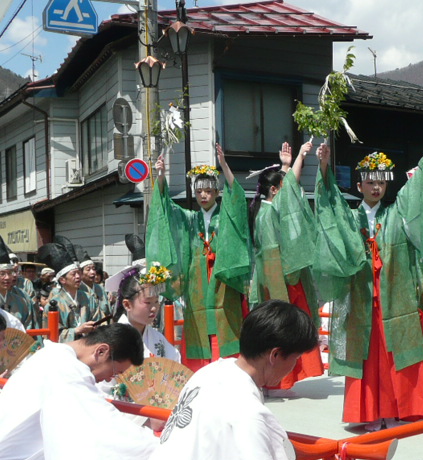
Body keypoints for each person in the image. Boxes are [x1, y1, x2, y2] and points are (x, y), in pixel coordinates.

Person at [314, 124, 423, 431]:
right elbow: (329, 204)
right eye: (369, 182)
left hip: (394, 295)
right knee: (368, 357)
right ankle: (369, 413)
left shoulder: (396, 213)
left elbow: (416, 188)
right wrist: (324, 167)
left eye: (380, 182)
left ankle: (397, 409)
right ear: (359, 186)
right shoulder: (351, 217)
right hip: (362, 296)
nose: (375, 187)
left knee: (394, 354)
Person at [143, 299, 318, 460]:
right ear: (275, 354)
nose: (294, 366)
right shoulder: (248, 410)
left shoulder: (209, 372)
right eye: (295, 358)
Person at [0, 323, 158, 460]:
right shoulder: (66, 371)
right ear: (101, 351)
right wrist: (158, 447)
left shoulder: (52, 356)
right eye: (116, 372)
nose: (111, 378)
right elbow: (103, 423)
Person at [147, 144, 251, 371]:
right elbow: (165, 206)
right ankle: (199, 370)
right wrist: (161, 175)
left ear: (216, 192)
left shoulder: (225, 215)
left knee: (226, 320)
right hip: (196, 280)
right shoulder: (189, 218)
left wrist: (224, 165)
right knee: (198, 322)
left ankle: (230, 370)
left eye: (208, 190)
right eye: (199, 191)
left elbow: (238, 199)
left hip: (223, 278)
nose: (203, 195)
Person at [249, 141, 323, 394]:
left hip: (268, 276)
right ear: (274, 190)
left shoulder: (262, 210)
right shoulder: (270, 212)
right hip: (279, 275)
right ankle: (279, 379)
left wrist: (287, 165)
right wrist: (299, 159)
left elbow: (289, 189)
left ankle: (274, 379)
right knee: (282, 326)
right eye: (283, 188)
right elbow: (291, 190)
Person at [37, 241, 100, 342]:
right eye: (73, 274)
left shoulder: (89, 298)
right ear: (62, 280)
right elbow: (50, 336)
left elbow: (99, 322)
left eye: (79, 273)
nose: (78, 276)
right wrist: (76, 331)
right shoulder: (54, 304)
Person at [113, 269, 180, 362]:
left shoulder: (158, 339)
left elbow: (174, 362)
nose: (154, 308)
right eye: (148, 302)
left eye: (156, 301)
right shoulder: (113, 339)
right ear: (127, 305)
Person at [0, 237, 35, 329]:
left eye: (10, 273)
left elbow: (30, 329)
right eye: (2, 274)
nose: (7, 277)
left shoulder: (22, 301)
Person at [75, 244, 111, 319]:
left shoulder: (100, 288)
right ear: (80, 273)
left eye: (93, 269)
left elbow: (108, 310)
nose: (92, 272)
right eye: (88, 269)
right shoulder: (77, 290)